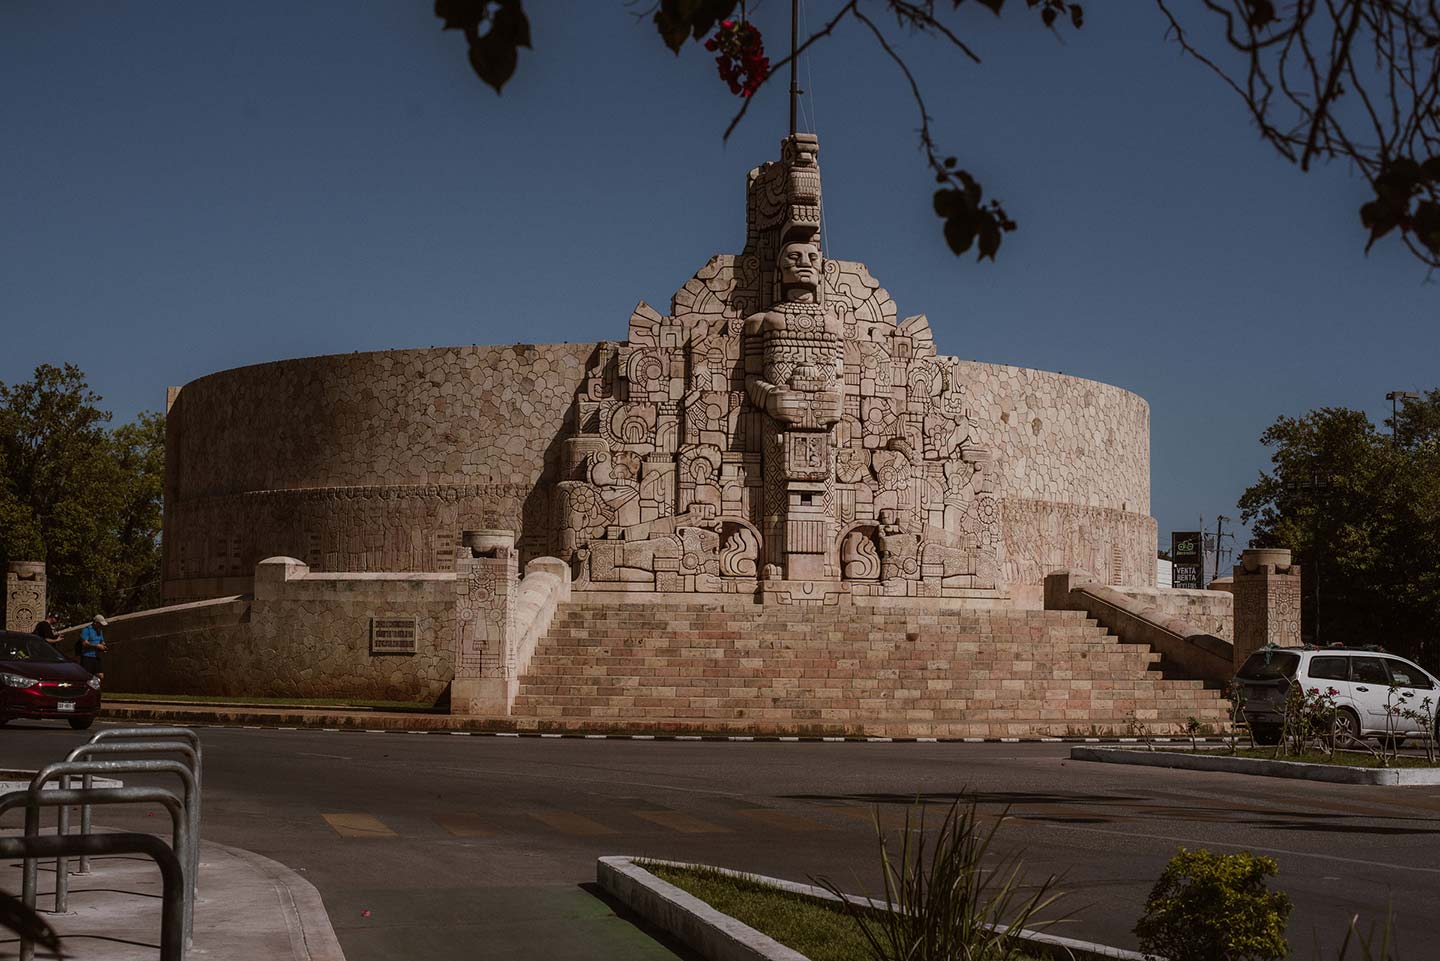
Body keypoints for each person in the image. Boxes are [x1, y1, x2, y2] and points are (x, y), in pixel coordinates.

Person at [78, 615, 108, 681]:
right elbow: (84, 643)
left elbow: (102, 641)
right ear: (95, 623)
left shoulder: (99, 630)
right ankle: (90, 689)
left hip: (96, 656)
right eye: (100, 624)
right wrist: (97, 646)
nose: (101, 626)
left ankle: (95, 688)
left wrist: (103, 646)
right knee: (87, 676)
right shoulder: (86, 630)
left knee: (100, 675)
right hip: (87, 657)